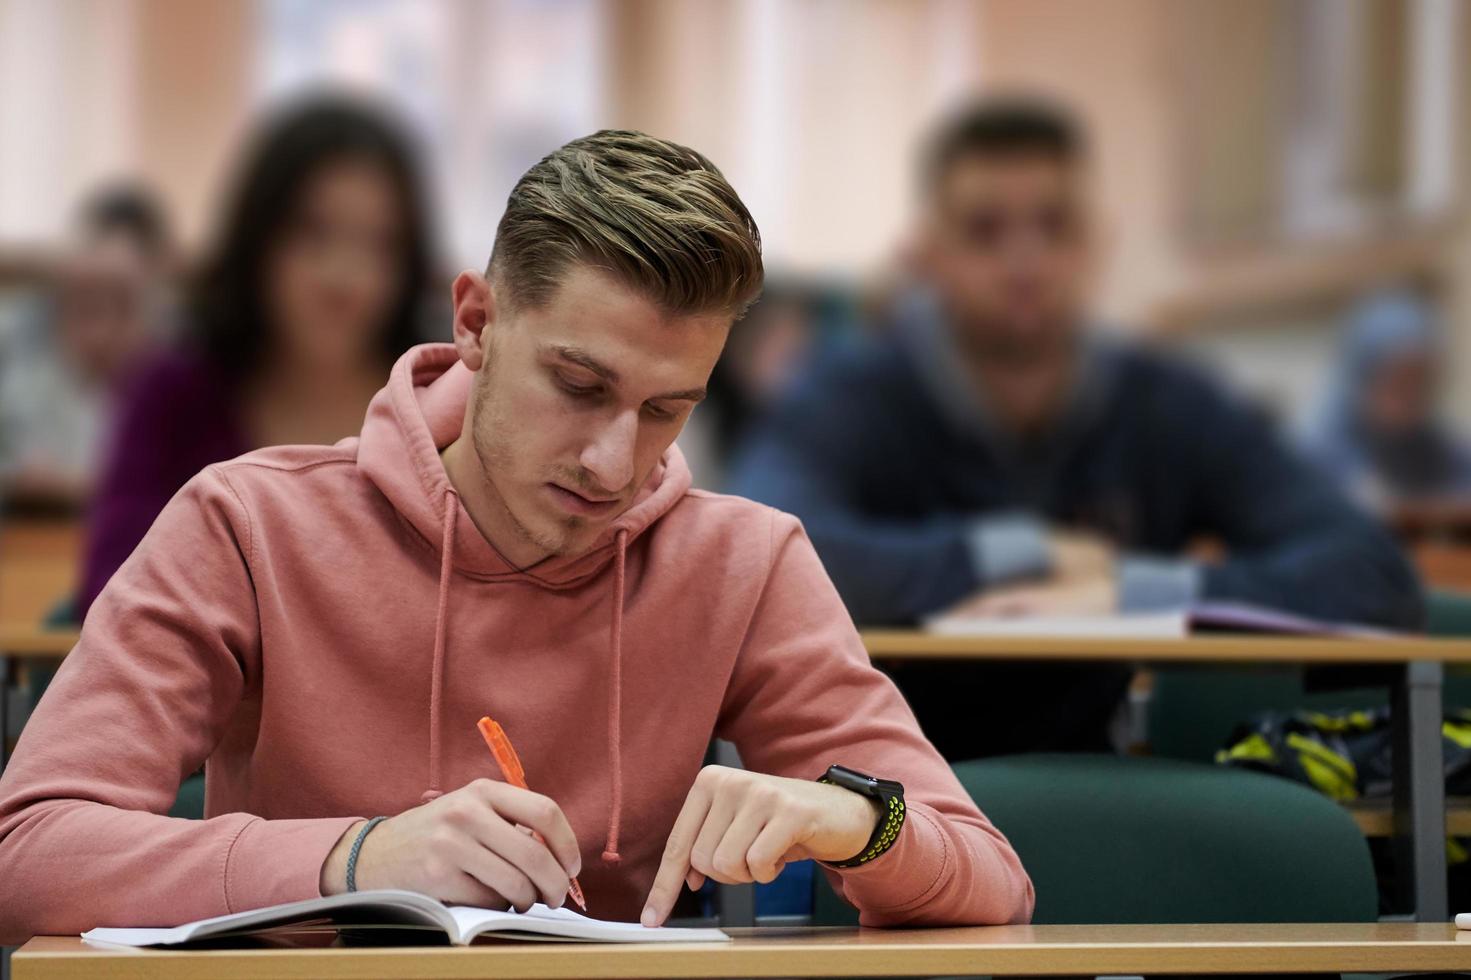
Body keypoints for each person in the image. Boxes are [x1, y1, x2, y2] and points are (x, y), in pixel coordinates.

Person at [0, 130, 1033, 943]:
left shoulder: (744, 564)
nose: (614, 463)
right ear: (478, 322)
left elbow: (993, 881)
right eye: (578, 387)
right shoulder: (248, 524)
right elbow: (25, 850)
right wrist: (356, 859)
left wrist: (860, 823)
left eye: (667, 407)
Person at [729, 97, 1424, 759]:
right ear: (926, 253)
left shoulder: (1168, 404)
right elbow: (757, 552)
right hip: (872, 797)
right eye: (984, 230)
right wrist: (1021, 554)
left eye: (1054, 225)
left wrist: (1129, 590)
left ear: (1095, 242)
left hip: (1107, 795)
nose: (1025, 261)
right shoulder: (852, 395)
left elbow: (1370, 573)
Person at [77, 93, 437, 617]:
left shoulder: (438, 402)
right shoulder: (172, 390)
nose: (345, 275)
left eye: (380, 244)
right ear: (259, 238)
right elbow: (111, 591)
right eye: (314, 233)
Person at [0, 184, 172, 510]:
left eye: (122, 308)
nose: (100, 333)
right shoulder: (27, 380)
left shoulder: (178, 389)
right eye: (83, 308)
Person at [1303, 290, 1471, 508]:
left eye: (1423, 383)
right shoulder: (1316, 452)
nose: (1412, 398)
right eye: (1400, 383)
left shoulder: (1438, 448)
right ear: (1362, 377)